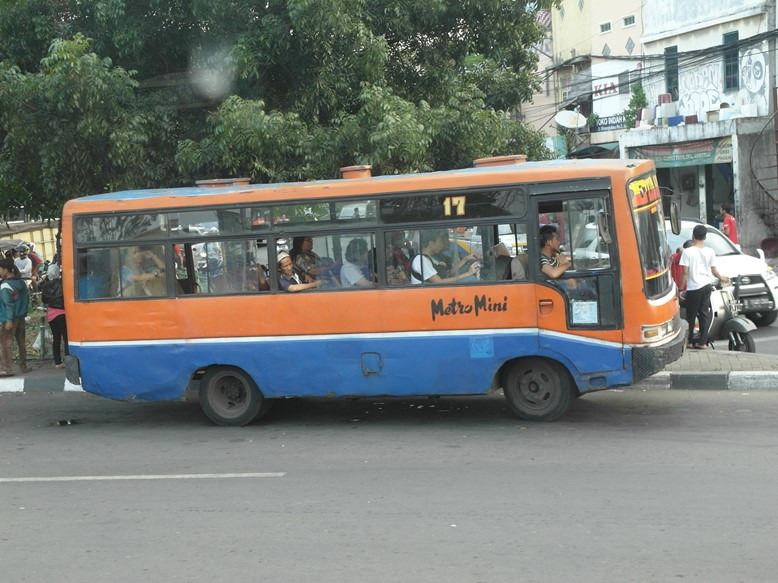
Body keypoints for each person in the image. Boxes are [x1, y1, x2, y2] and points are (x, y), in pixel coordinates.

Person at [679, 225, 730, 349]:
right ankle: (703, 342)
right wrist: (721, 277)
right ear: (705, 237)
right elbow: (714, 271)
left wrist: (680, 289)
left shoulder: (687, 252)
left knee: (691, 316)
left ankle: (690, 341)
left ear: (693, 236)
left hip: (694, 288)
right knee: (704, 315)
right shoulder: (710, 251)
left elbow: (685, 273)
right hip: (707, 286)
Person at [411, 229, 479, 284]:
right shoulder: (421, 260)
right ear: (431, 244)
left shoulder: (430, 258)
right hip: (432, 293)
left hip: (440, 288)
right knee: (471, 279)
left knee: (469, 267)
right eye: (440, 242)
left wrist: (465, 259)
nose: (441, 245)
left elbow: (448, 274)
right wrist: (468, 274)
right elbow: (438, 282)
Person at [0, 258, 30, 376]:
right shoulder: (21, 282)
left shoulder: (5, 285)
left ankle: (6, 369)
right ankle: (23, 366)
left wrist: (9, 321)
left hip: (9, 319)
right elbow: (26, 300)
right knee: (21, 342)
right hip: (21, 317)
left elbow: (8, 304)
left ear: (5, 270)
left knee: (5, 343)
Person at [41, 263, 68, 368]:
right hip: (62, 313)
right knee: (66, 338)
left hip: (51, 314)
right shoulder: (63, 283)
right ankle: (67, 360)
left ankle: (58, 362)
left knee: (56, 338)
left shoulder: (45, 285)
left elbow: (44, 299)